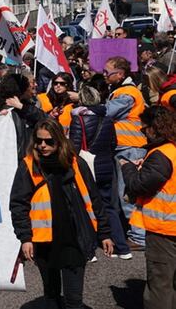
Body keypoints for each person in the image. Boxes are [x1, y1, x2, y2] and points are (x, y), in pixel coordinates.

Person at [10, 119, 113, 309]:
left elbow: (94, 198)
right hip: (44, 243)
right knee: (51, 296)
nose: (42, 145)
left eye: (49, 141)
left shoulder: (76, 163)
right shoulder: (28, 166)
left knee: (74, 300)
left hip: (74, 240)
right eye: (39, 141)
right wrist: (25, 238)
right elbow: (18, 205)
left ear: (59, 141)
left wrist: (105, 233)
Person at [122, 106, 176, 308]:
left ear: (154, 128)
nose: (142, 133)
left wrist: (127, 168)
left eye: (144, 129)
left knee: (160, 285)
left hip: (164, 230)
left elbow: (139, 185)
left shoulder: (163, 154)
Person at [69, 85, 131, 259]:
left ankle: (89, 250)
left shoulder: (78, 119)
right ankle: (122, 247)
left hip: (86, 167)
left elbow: (74, 146)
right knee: (109, 206)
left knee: (83, 206)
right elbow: (113, 144)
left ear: (81, 99)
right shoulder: (107, 119)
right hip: (105, 165)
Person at [105, 56, 148, 250]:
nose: (104, 75)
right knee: (125, 192)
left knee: (128, 192)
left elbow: (106, 111)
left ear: (120, 74)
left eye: (108, 72)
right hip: (126, 147)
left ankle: (139, 236)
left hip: (130, 148)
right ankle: (136, 233)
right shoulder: (123, 90)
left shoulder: (127, 93)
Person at [0, 73, 46, 159]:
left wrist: (22, 107)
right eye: (28, 87)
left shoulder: (25, 107)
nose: (30, 89)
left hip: (26, 157)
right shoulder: (6, 111)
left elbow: (44, 119)